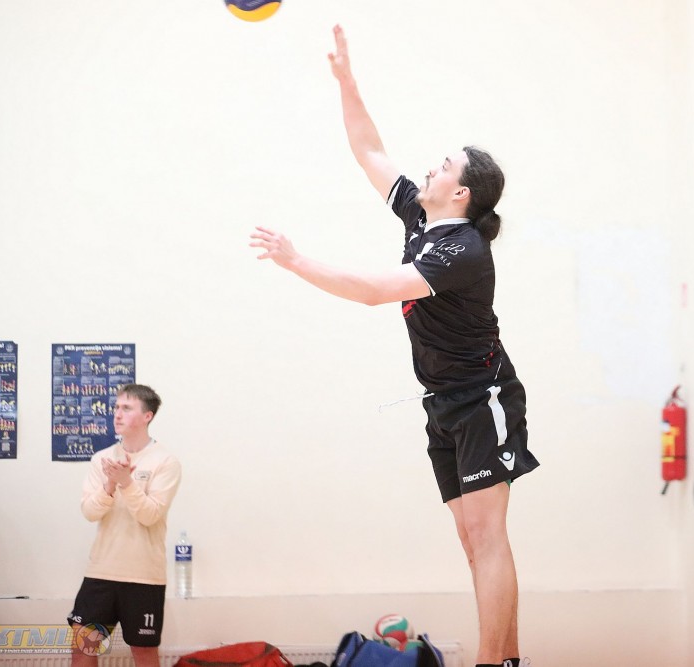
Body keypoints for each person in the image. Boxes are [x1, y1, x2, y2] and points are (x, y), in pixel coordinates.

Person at [248, 25, 539, 667]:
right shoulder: (421, 217)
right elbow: (368, 148)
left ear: (461, 193)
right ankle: (508, 657)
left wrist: (295, 260)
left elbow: (373, 291)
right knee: (471, 541)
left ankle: (493, 661)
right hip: (443, 400)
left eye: (444, 166)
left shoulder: (463, 249)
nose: (431, 167)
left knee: (488, 537)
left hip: (483, 397)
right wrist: (347, 81)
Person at [67, 384, 182, 667]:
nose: (117, 414)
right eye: (116, 407)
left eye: (127, 408)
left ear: (147, 416)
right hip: (101, 572)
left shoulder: (166, 461)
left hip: (144, 577)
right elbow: (89, 512)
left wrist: (127, 483)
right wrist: (109, 485)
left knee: (143, 653)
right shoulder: (102, 459)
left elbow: (150, 515)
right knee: (82, 648)